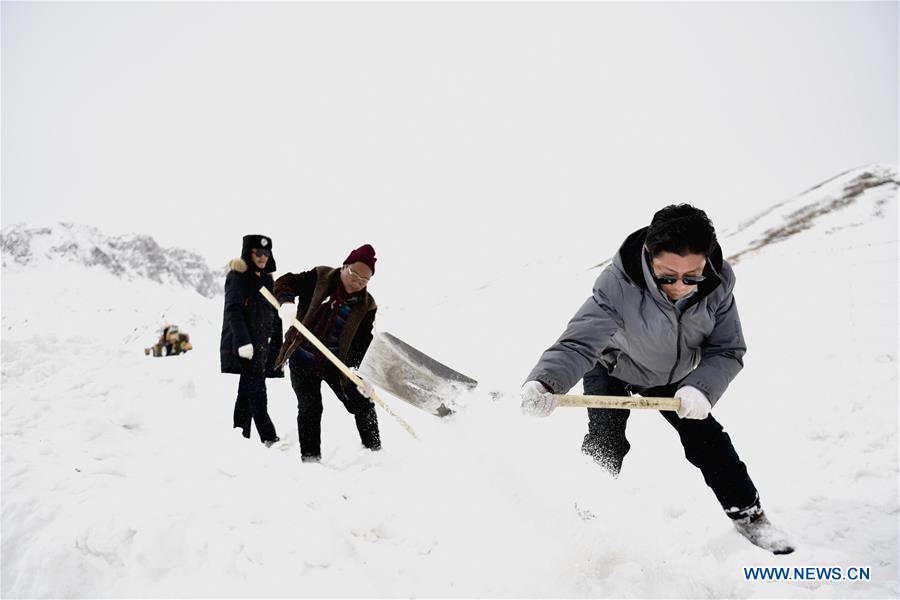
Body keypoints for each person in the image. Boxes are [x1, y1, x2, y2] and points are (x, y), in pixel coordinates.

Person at [520, 204, 794, 555]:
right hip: (612, 367)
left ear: (706, 263)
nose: (679, 287)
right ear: (649, 255)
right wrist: (547, 382)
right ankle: (581, 523)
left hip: (672, 375)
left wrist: (700, 387)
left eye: (691, 277)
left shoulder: (719, 285)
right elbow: (580, 342)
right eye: (667, 277)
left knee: (708, 441)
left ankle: (750, 516)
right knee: (607, 443)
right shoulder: (617, 284)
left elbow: (727, 348)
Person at [273, 244, 380, 462]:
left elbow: (362, 343)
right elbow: (284, 282)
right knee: (310, 408)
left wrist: (360, 374)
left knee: (362, 403)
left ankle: (375, 455)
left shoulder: (366, 305)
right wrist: (286, 303)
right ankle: (311, 460)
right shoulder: (319, 277)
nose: (357, 282)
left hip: (335, 364)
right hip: (302, 357)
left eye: (364, 280)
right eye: (354, 274)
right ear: (344, 266)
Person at [219, 234, 284, 447]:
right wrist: (243, 342)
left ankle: (239, 437)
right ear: (249, 252)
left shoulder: (266, 280)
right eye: (259, 252)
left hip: (262, 347)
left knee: (246, 392)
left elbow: (273, 315)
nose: (263, 257)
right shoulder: (238, 276)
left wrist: (277, 349)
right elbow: (233, 310)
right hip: (247, 346)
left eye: (267, 252)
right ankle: (270, 438)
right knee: (257, 393)